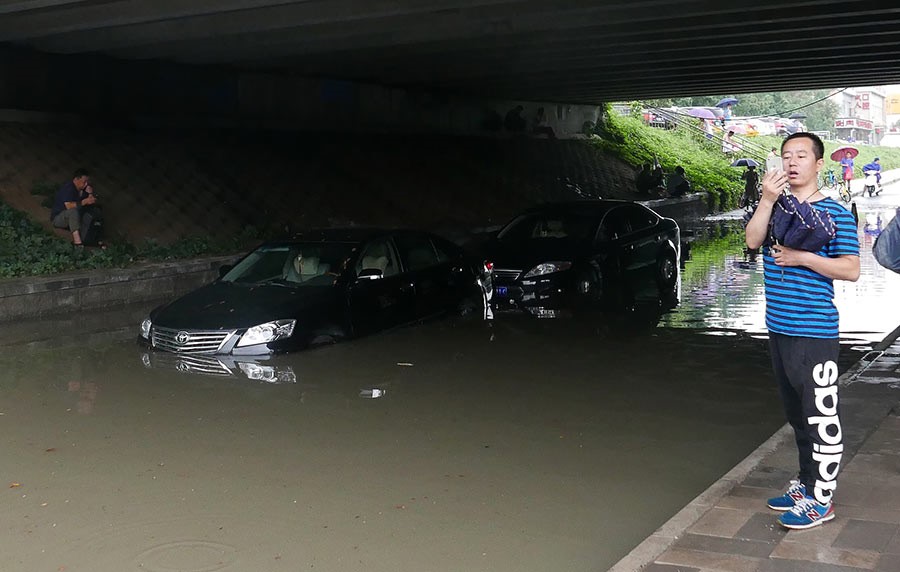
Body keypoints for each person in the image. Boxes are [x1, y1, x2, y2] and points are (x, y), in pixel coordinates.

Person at [745, 132, 860, 530]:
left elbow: (851, 269)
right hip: (778, 327)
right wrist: (765, 199)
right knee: (797, 415)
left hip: (814, 332)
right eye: (786, 156)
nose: (792, 162)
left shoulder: (837, 214)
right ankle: (807, 484)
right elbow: (751, 240)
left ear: (818, 163)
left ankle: (822, 501)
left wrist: (803, 257)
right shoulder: (775, 209)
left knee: (820, 416)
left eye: (801, 155)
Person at [50, 168, 96, 247]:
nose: (86, 184)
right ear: (76, 179)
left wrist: (90, 194)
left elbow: (88, 203)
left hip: (73, 220)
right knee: (73, 211)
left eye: (87, 182)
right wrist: (84, 202)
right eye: (84, 182)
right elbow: (69, 206)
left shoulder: (83, 190)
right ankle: (77, 242)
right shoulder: (68, 188)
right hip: (58, 218)